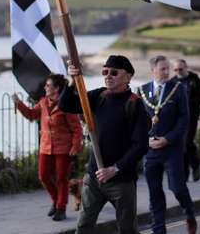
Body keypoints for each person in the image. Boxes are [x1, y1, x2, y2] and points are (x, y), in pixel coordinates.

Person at [59, 55, 149, 234]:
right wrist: (71, 81)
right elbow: (66, 104)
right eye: (105, 71)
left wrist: (115, 169)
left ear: (128, 77)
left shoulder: (134, 104)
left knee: (127, 229)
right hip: (94, 178)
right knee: (83, 226)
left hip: (121, 182)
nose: (108, 76)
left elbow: (140, 145)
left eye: (114, 72)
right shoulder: (99, 95)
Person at [138, 55, 196, 234]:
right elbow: (138, 121)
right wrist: (145, 140)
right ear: (153, 70)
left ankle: (189, 213)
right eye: (162, 69)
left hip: (172, 148)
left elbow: (184, 119)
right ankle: (158, 229)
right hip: (150, 150)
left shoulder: (179, 88)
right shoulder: (142, 90)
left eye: (167, 69)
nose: (166, 72)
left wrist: (168, 139)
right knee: (154, 192)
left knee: (177, 187)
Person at [13, 74, 82, 220]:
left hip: (64, 148)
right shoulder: (43, 102)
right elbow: (31, 115)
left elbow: (76, 129)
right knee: (43, 176)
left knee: (61, 178)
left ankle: (61, 208)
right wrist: (18, 103)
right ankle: (57, 201)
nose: (45, 87)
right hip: (45, 147)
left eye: (48, 85)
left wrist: (75, 146)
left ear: (56, 88)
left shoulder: (66, 104)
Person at [171, 58, 200, 182]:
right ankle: (184, 173)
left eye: (180, 69)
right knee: (181, 145)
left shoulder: (194, 80)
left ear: (186, 68)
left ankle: (195, 165)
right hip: (177, 119)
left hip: (191, 117)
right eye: (175, 70)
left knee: (187, 142)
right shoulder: (172, 82)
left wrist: (186, 102)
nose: (178, 71)